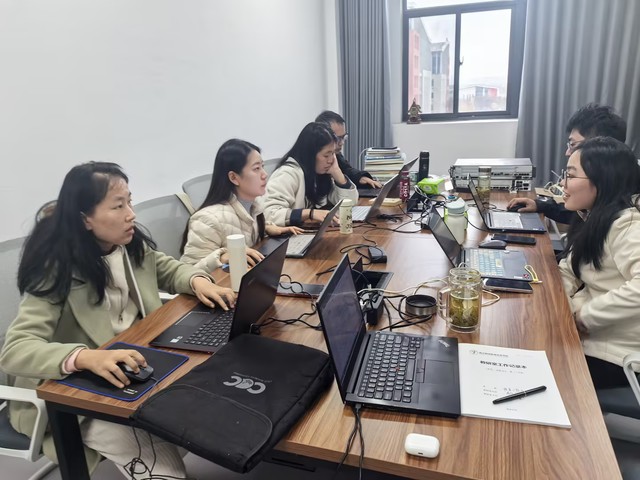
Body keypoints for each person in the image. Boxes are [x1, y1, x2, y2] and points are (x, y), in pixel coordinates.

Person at [0, 162, 236, 478]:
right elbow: (15, 349)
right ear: (85, 219)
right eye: (118, 206)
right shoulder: (56, 270)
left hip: (137, 364)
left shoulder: (127, 244)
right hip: (81, 395)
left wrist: (198, 280)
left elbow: (167, 268)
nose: (131, 214)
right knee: (166, 469)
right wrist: (84, 357)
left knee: (211, 398)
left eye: (129, 201)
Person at [558, 137, 640, 390]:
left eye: (571, 175)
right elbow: (569, 268)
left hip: (616, 355)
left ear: (602, 180)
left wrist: (585, 317)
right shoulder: (598, 218)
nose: (562, 183)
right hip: (591, 337)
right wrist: (559, 302)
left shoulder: (628, 226)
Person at [181, 139, 302, 272]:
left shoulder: (254, 206)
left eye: (262, 166)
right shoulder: (207, 220)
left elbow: (242, 227)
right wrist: (221, 257)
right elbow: (187, 272)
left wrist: (266, 228)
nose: (264, 174)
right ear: (234, 178)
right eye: (256, 169)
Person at [507, 103, 627, 224]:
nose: (567, 153)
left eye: (573, 145)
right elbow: (576, 214)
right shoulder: (601, 197)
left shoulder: (624, 221)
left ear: (601, 147)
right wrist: (540, 205)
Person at [264, 122, 359, 226]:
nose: (331, 160)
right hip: (287, 234)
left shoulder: (318, 173)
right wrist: (310, 213)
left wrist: (337, 172)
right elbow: (269, 214)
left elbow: (349, 203)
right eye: (326, 155)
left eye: (333, 153)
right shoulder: (287, 174)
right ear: (310, 154)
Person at [315, 110, 382, 189]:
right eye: (337, 138)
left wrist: (360, 178)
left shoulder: (336, 154)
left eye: (344, 137)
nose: (342, 143)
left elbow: (347, 170)